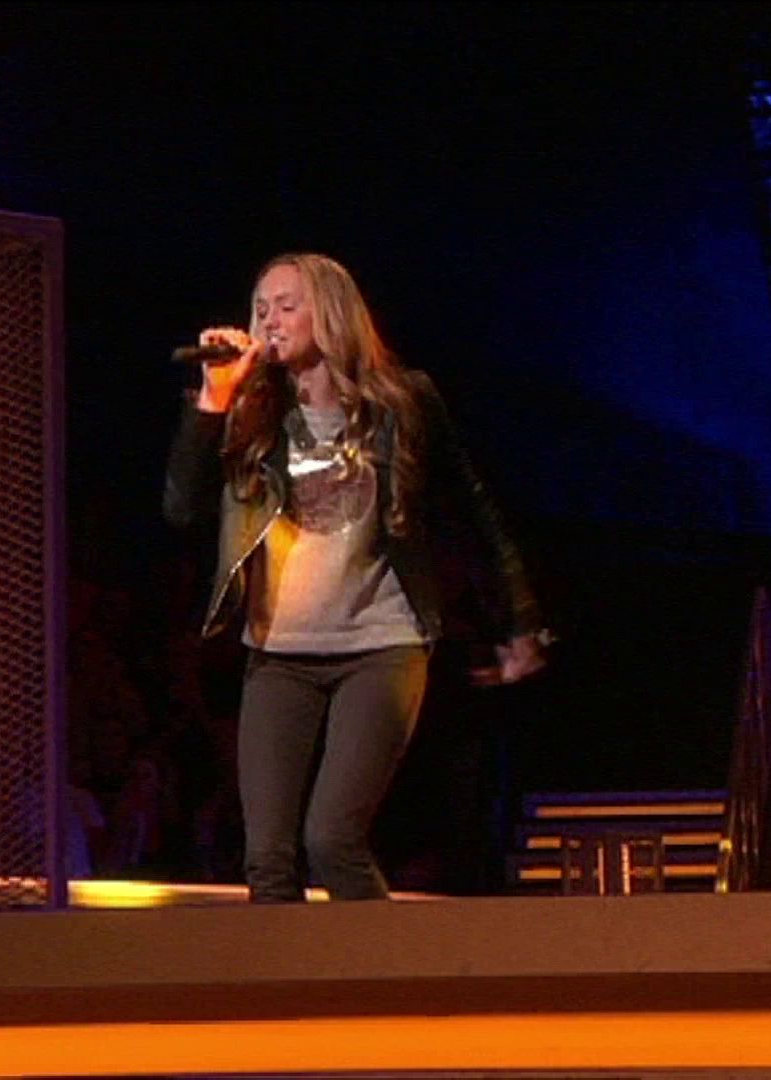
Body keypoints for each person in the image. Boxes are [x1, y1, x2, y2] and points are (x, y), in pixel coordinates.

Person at [162, 252, 548, 902]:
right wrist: (213, 399)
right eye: (261, 309)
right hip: (278, 655)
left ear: (331, 312)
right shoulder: (249, 410)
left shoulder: (404, 401)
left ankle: (386, 965)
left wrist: (519, 619)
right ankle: (289, 971)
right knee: (267, 859)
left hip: (381, 646)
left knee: (332, 840)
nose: (270, 320)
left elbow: (473, 508)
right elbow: (181, 508)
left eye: (287, 306)